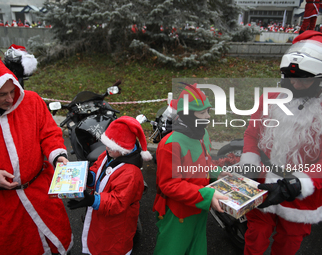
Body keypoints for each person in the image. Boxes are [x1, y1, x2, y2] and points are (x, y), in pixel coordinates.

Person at [0, 47, 73, 255]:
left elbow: (49, 133)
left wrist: (58, 155)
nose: (10, 99)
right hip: (3, 205)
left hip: (41, 192)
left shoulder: (31, 101)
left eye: (12, 91)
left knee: (56, 240)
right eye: (2, 95)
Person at [239, 30, 322, 255]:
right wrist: (249, 161)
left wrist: (297, 184)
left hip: (301, 195)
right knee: (255, 236)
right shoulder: (271, 98)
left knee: (289, 242)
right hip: (264, 182)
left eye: (304, 79)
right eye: (290, 76)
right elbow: (252, 134)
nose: (295, 83)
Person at [152, 84, 229, 255]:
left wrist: (217, 173)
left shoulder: (202, 134)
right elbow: (169, 185)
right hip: (177, 213)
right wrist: (207, 195)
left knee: (197, 248)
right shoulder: (170, 144)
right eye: (202, 113)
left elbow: (204, 161)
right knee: (172, 250)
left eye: (208, 111)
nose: (208, 117)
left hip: (199, 207)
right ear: (187, 115)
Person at [67, 116, 152, 255]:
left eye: (111, 146)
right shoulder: (109, 155)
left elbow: (118, 201)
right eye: (106, 143)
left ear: (124, 148)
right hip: (103, 217)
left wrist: (93, 200)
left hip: (117, 225)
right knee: (99, 242)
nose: (106, 148)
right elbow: (97, 169)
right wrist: (89, 177)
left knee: (111, 248)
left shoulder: (131, 173)